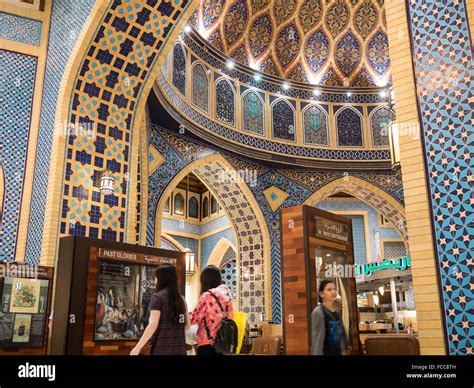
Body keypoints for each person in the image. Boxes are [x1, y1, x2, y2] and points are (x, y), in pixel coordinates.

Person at [130, 264, 187, 355]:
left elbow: (153, 324)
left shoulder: (157, 297)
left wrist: (138, 347)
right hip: (179, 348)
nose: (155, 280)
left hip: (162, 347)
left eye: (156, 277)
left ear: (161, 279)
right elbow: (187, 325)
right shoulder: (181, 299)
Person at [190, 265, 233, 355]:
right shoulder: (227, 297)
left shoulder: (206, 296)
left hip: (207, 344)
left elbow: (193, 319)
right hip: (224, 343)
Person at [311, 279, 347, 355]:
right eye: (329, 290)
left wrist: (343, 351)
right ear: (321, 294)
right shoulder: (318, 312)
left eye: (334, 289)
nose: (333, 292)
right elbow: (317, 340)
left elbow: (341, 335)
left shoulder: (336, 312)